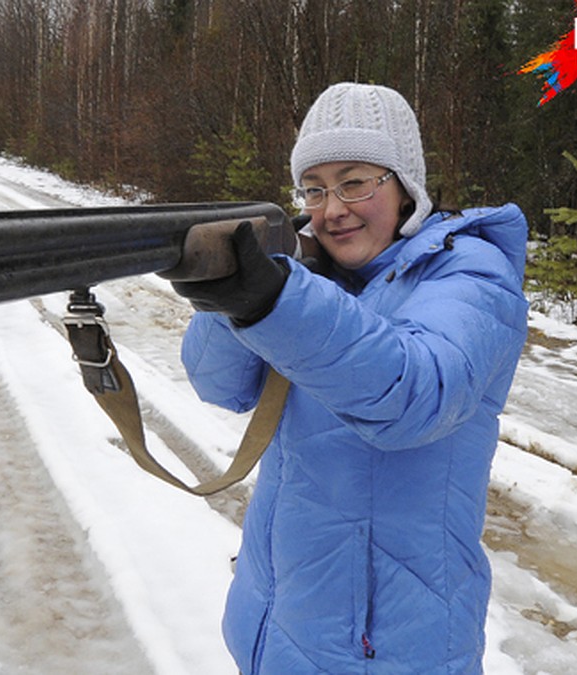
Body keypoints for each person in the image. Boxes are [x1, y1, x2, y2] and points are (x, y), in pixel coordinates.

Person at [170, 82, 529, 674]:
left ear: (405, 184)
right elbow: (221, 385)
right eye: (313, 188)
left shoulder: (471, 273)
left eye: (355, 181)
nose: (331, 208)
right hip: (277, 624)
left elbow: (415, 396)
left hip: (386, 649)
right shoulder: (314, 279)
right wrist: (234, 293)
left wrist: (275, 299)